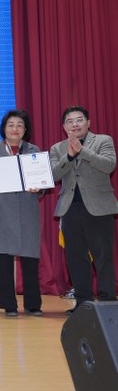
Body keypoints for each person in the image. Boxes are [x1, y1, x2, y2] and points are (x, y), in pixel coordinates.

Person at [50, 106, 118, 314]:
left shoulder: (103, 140)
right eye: (70, 121)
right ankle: (83, 304)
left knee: (103, 257)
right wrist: (69, 156)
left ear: (88, 123)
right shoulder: (57, 148)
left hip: (99, 208)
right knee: (76, 259)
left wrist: (82, 151)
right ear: (64, 127)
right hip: (70, 209)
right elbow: (53, 175)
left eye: (79, 120)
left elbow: (109, 165)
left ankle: (108, 303)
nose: (75, 124)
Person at [0, 109, 43, 317]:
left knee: (30, 261)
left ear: (25, 129)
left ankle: (33, 305)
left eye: (19, 125)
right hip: (2, 211)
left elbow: (41, 180)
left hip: (27, 211)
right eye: (11, 125)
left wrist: (39, 187)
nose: (15, 129)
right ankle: (9, 305)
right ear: (4, 128)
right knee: (4, 261)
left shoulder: (33, 150)